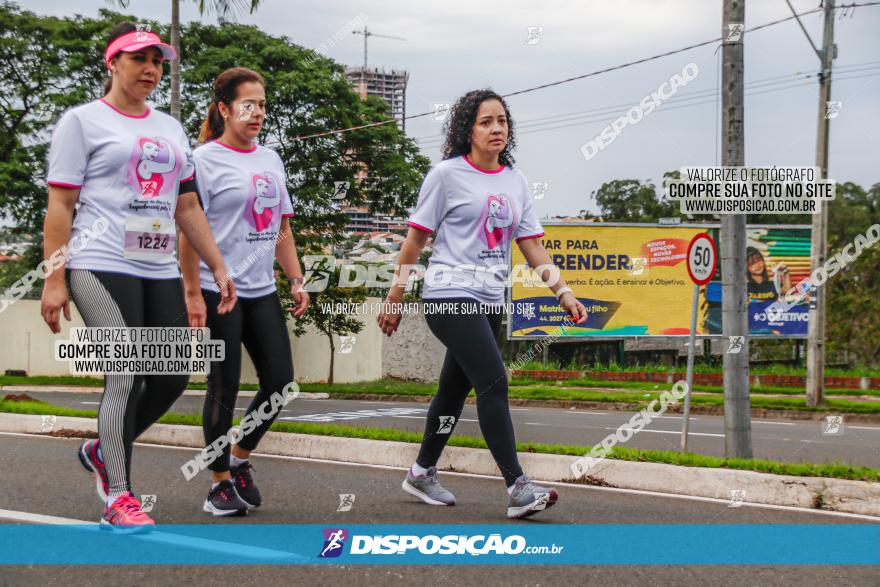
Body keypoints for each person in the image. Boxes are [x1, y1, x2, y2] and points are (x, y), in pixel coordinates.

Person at [41, 23, 236, 532]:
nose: (150, 69)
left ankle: (103, 449)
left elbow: (187, 204)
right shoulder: (82, 123)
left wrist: (217, 263)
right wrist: (53, 278)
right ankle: (119, 496)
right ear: (113, 63)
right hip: (97, 261)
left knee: (172, 376)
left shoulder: (170, 129)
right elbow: (61, 203)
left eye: (157, 61)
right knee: (125, 369)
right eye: (139, 59)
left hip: (157, 265)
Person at [378, 89, 588, 519]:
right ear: (467, 130)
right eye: (485, 121)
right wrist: (395, 296)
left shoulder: (516, 180)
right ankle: (518, 487)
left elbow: (531, 246)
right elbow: (415, 240)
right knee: (494, 382)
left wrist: (563, 291)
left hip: (491, 299)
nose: (496, 129)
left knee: (453, 392)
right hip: (448, 294)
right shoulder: (446, 175)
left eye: (502, 121)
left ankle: (421, 471)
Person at [180, 67, 309, 517]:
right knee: (224, 387)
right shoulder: (204, 160)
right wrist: (194, 291)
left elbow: (282, 228)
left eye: (263, 105)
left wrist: (295, 278)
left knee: (280, 382)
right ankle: (216, 485)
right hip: (220, 291)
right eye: (248, 104)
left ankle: (239, 459)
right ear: (224, 108)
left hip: (260, 289)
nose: (257, 113)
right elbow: (187, 231)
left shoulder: (270, 159)